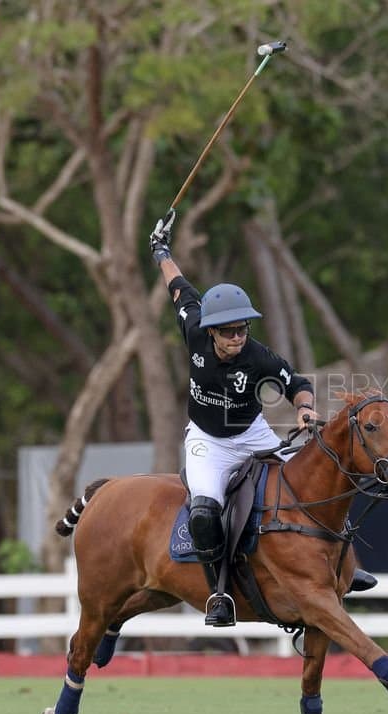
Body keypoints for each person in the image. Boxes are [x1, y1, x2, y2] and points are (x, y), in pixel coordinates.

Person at [149, 209, 319, 626]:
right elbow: (177, 285)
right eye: (228, 332)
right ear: (210, 331)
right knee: (205, 512)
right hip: (208, 439)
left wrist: (305, 409)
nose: (237, 337)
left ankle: (344, 566)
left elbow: (296, 381)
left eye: (242, 329)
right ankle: (218, 595)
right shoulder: (193, 327)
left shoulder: (258, 356)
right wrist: (160, 250)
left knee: (311, 485)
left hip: (251, 434)